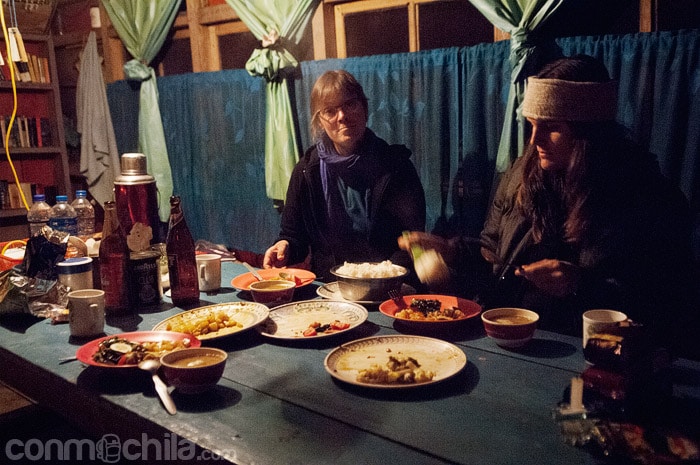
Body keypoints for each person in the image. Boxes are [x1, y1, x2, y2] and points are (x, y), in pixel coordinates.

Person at [400, 55, 697, 356]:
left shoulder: (645, 195)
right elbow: (494, 262)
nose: (534, 141)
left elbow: (666, 303)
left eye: (551, 127)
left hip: (586, 354)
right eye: (530, 124)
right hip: (510, 341)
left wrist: (580, 284)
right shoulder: (521, 175)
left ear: (588, 133)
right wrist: (451, 251)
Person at [264, 70, 426, 282]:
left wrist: (383, 277)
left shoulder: (396, 166)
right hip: (331, 287)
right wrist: (283, 246)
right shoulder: (306, 170)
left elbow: (411, 239)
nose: (342, 116)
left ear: (364, 108)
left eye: (349, 104)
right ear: (320, 121)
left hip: (389, 286)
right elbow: (293, 235)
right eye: (330, 111)